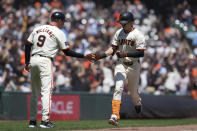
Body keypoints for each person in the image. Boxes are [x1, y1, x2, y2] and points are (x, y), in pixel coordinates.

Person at [24, 11, 94, 128]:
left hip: (34, 59)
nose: (64, 24)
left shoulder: (38, 28)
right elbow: (67, 52)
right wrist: (83, 56)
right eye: (63, 21)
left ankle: (32, 121)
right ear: (60, 20)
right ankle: (45, 121)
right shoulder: (59, 32)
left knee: (34, 93)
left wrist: (27, 62)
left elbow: (27, 45)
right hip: (45, 60)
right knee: (46, 92)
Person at [94, 11, 146, 126]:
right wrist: (99, 56)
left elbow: (141, 53)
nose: (122, 24)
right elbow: (113, 49)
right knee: (118, 88)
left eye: (125, 22)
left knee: (133, 93)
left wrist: (126, 54)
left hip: (134, 65)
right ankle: (115, 115)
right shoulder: (119, 33)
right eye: (121, 22)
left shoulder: (138, 34)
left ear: (131, 22)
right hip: (121, 64)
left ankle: (138, 103)